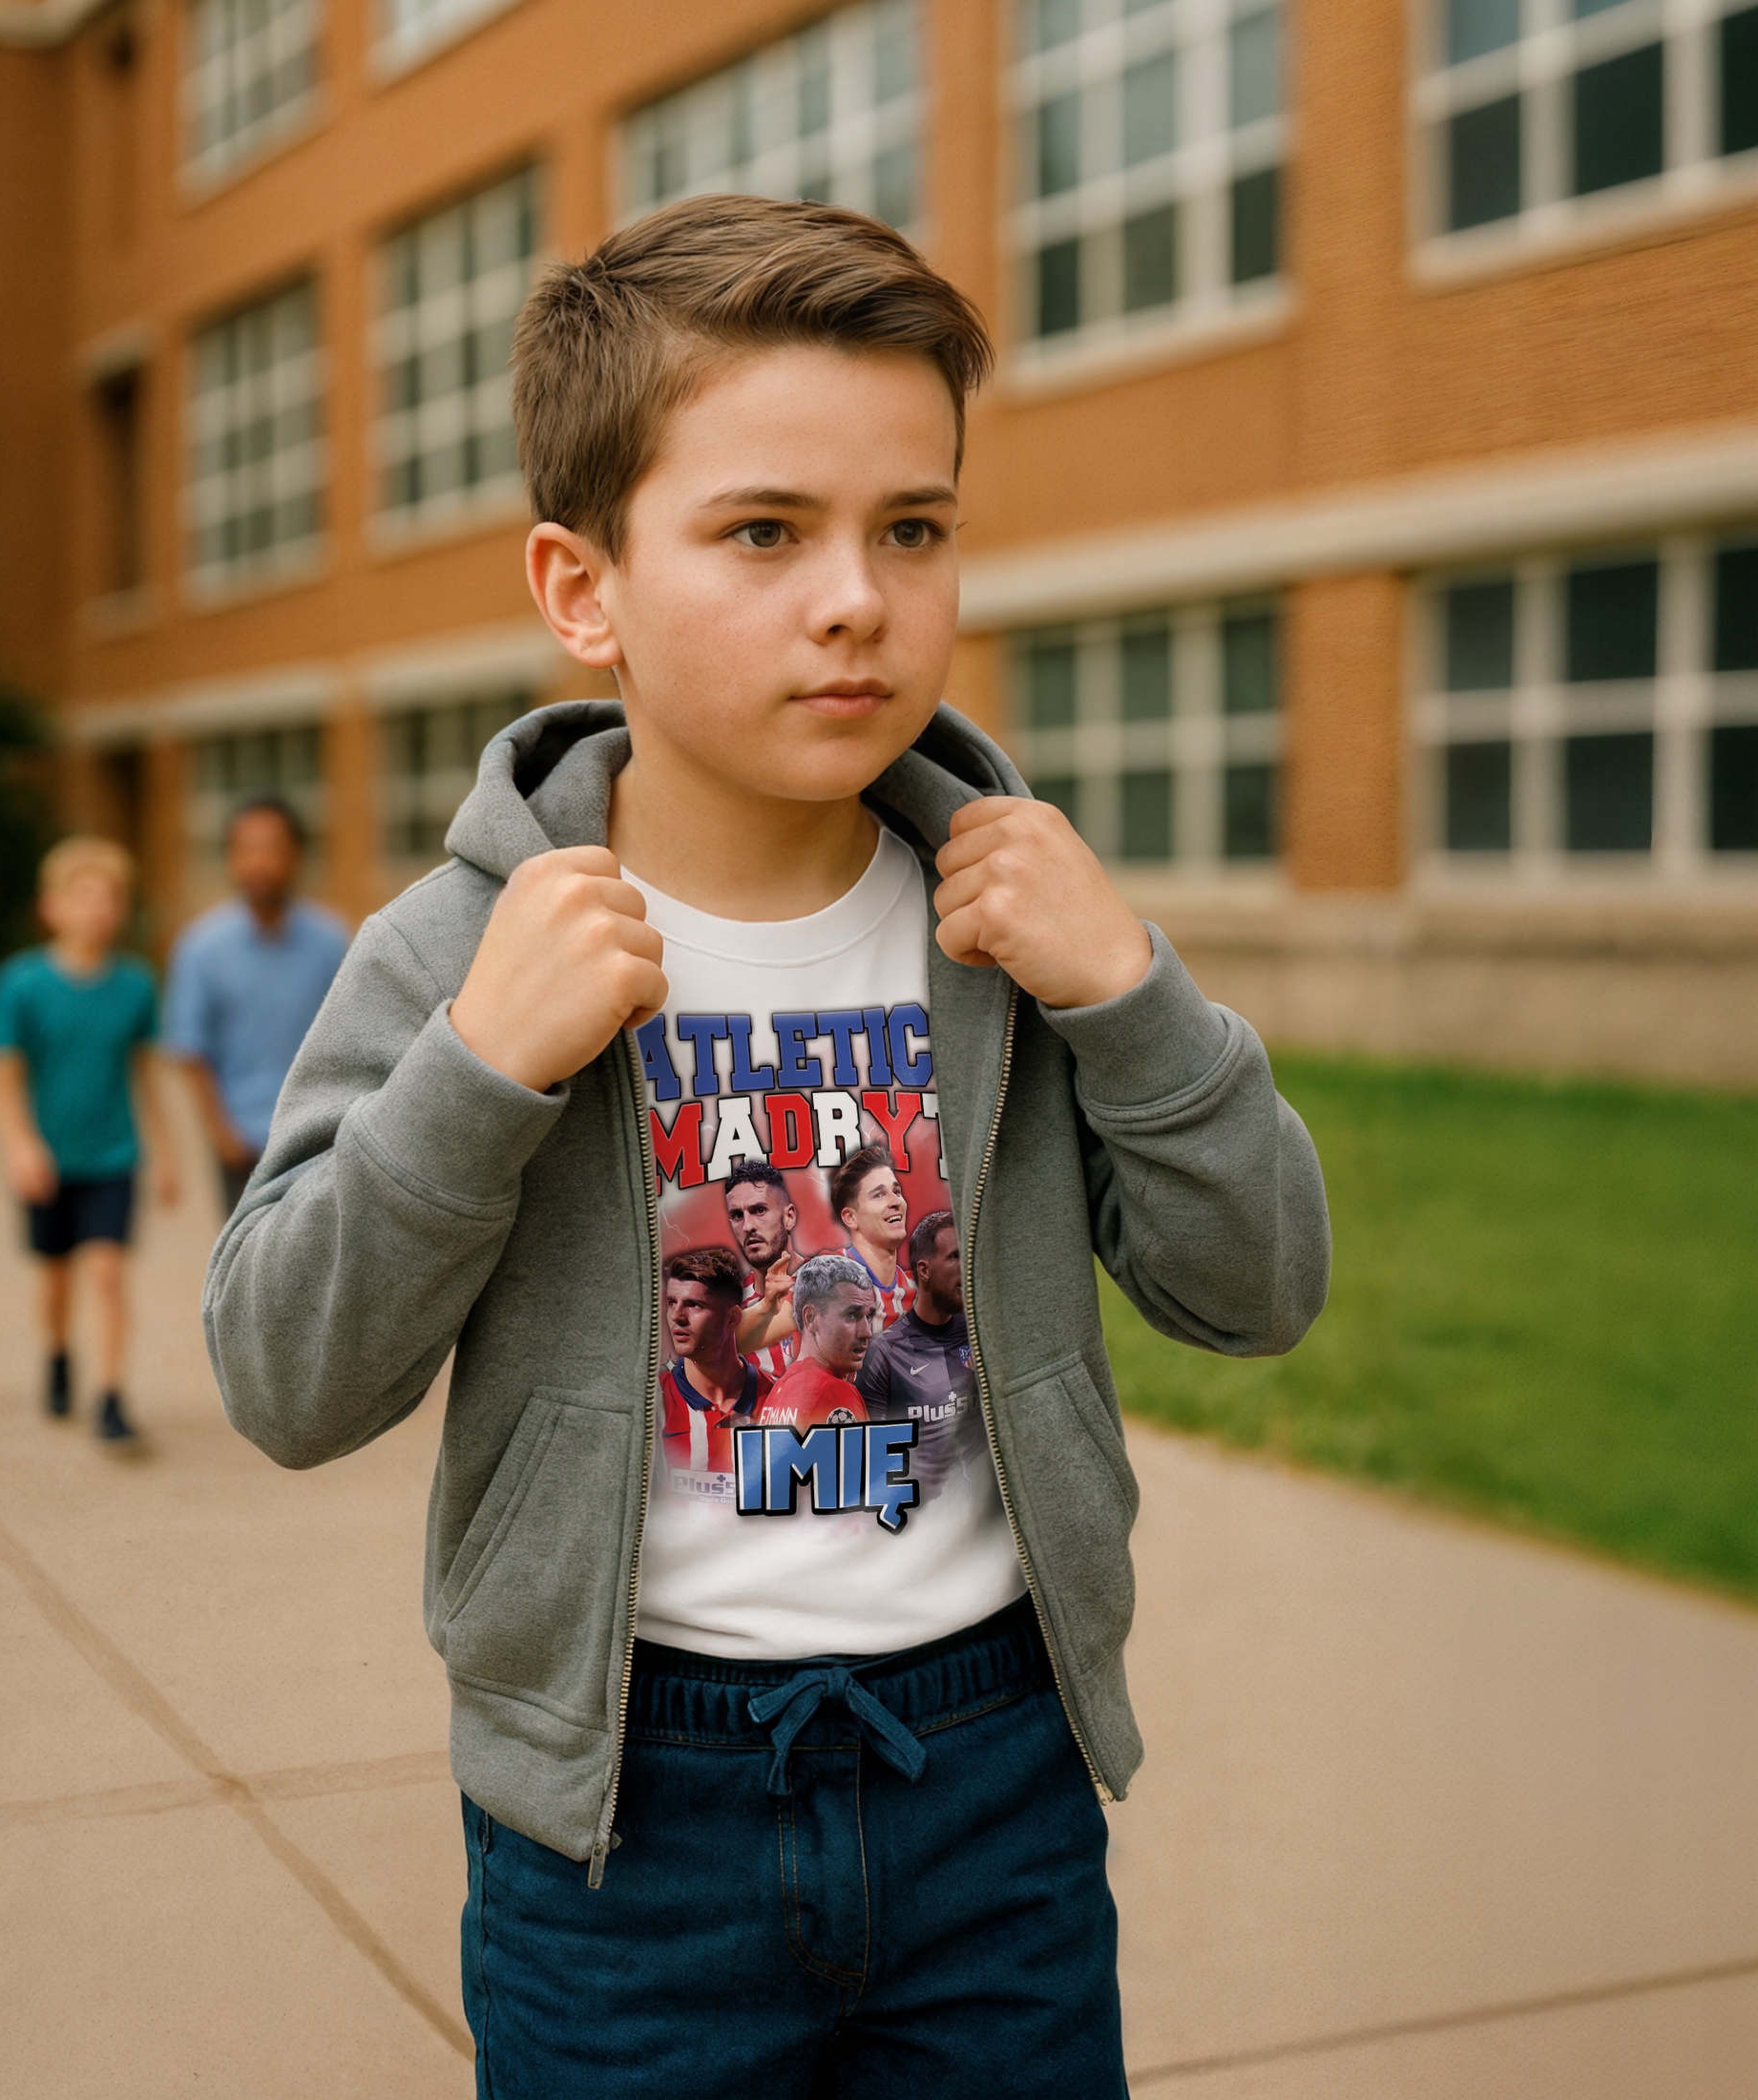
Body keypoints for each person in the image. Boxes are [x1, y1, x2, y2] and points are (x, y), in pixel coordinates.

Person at [203, 195, 1329, 2098]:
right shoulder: (459, 951)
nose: (855, 599)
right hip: (623, 1827)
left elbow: (1259, 1287)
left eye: (913, 528)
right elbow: (283, 1375)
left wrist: (1132, 994)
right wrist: (478, 1071)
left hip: (994, 1778)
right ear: (583, 589)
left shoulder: (1019, 923)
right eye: (763, 531)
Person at [0, 837, 176, 1442]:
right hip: (48, 1159)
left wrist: (164, 1153)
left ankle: (111, 1397)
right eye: (84, 896)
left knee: (108, 1274)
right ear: (52, 907)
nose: (98, 909)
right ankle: (59, 1354)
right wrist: (20, 1145)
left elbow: (145, 1075)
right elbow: (0, 1072)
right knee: (57, 1278)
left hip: (113, 1156)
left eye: (110, 898)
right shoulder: (21, 983)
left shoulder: (136, 985)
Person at [163, 795, 346, 1216]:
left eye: (272, 848)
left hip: (315, 1140)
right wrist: (220, 1134)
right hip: (240, 1143)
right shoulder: (201, 947)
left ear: (297, 855)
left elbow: (348, 1037)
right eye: (246, 849)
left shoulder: (331, 942)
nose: (259, 862)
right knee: (245, 1256)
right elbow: (190, 1049)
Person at [857, 1209, 983, 1493]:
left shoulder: (980, 1335)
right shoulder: (885, 1353)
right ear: (924, 1270)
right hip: (925, 1513)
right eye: (955, 1256)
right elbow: (870, 1458)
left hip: (986, 1511)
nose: (968, 1267)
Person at [659, 1246, 768, 1490]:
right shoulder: (653, 1402)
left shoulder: (778, 1399)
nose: (676, 1316)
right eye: (671, 1303)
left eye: (694, 1305)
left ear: (732, 1318)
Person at [755, 1253, 877, 1429]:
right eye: (851, 1315)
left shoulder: (778, 1392)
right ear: (810, 1318)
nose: (867, 1333)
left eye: (869, 1316)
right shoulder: (835, 1393)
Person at [725, 1160, 804, 1376]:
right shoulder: (728, 1300)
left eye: (759, 1210)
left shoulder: (829, 1274)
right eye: (737, 1215)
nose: (747, 1226)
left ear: (789, 1217)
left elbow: (717, 1341)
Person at [830, 1143, 914, 1329]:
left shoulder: (917, 1291)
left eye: (896, 1191)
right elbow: (762, 1333)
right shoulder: (827, 1276)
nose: (895, 1202)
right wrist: (768, 1308)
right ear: (851, 1218)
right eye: (879, 1195)